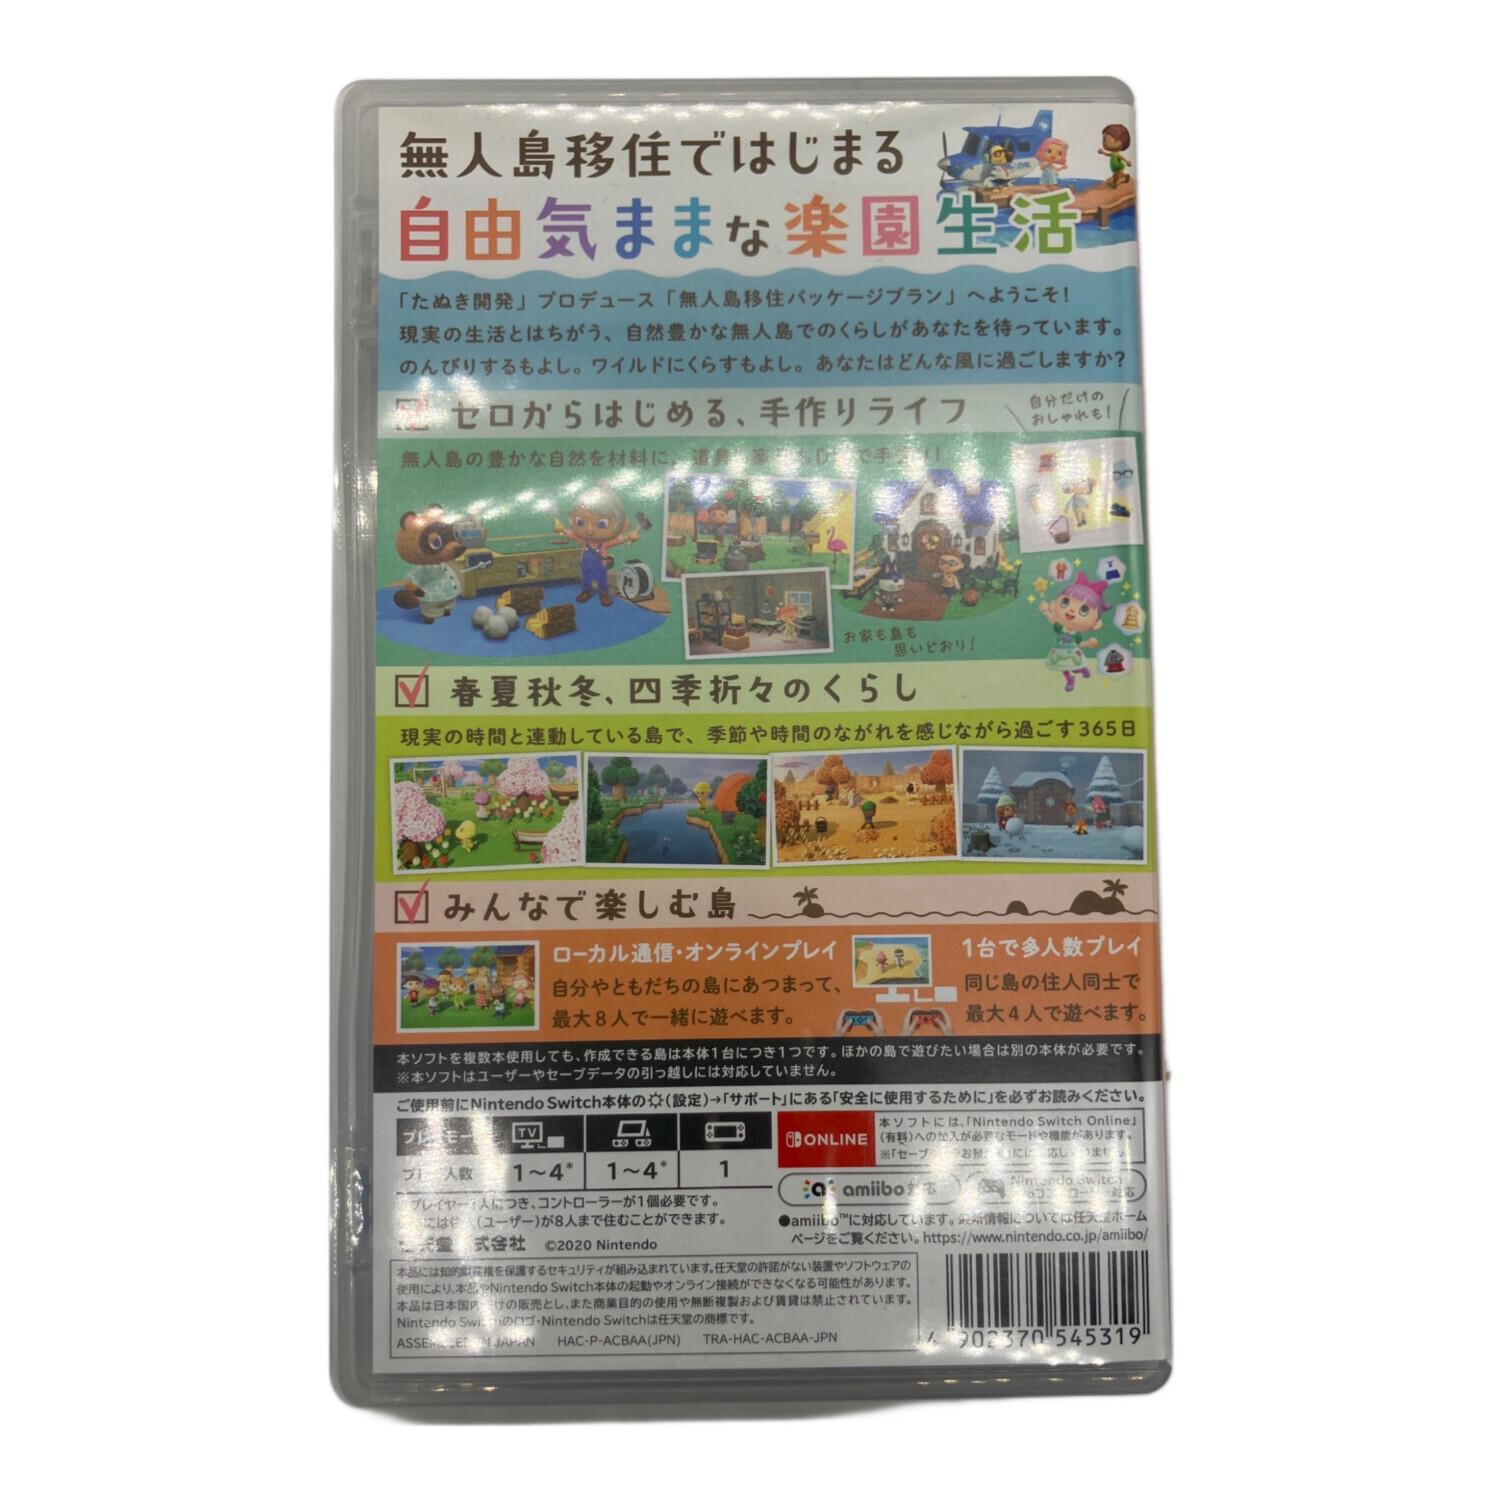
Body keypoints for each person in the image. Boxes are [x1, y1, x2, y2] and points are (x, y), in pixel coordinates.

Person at [556, 483, 640, 607]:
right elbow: (572, 535)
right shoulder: (584, 541)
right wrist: (562, 530)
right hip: (585, 564)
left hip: (600, 565)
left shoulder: (604, 544)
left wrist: (629, 537)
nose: (589, 530)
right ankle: (586, 591)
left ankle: (604, 594)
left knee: (602, 580)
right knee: (586, 578)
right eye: (580, 522)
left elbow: (619, 539)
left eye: (601, 524)